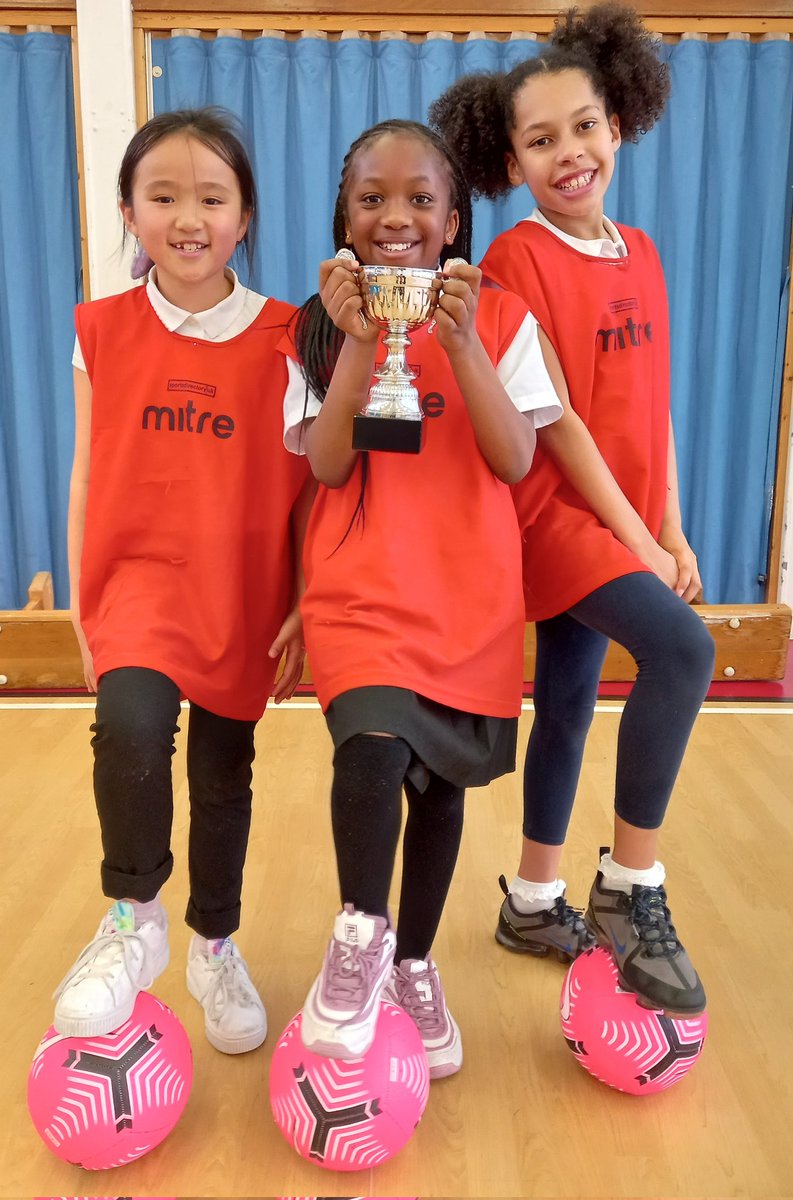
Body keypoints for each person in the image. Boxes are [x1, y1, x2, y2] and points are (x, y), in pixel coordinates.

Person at [430, 3, 715, 1015]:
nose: (567, 152)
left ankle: (533, 897)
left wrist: (669, 523)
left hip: (626, 522)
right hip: (558, 522)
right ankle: (630, 886)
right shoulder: (515, 261)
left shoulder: (640, 251)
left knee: (565, 703)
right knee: (683, 652)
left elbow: (654, 411)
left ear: (620, 120)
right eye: (539, 139)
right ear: (510, 157)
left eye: (582, 126)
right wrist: (636, 539)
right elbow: (558, 430)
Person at [292, 119, 564, 1077]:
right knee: (367, 758)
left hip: (466, 598)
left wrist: (461, 344)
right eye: (371, 198)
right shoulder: (318, 321)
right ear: (345, 213)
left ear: (455, 219)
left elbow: (515, 456)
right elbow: (326, 466)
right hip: (361, 589)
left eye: (419, 199)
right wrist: (362, 343)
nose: (394, 216)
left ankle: (412, 961)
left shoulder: (500, 318)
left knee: (438, 792)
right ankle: (361, 938)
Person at [53, 107, 316, 1054]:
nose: (188, 217)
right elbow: (88, 466)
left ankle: (213, 941)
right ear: (130, 210)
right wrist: (86, 600)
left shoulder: (290, 336)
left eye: (212, 197)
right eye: (162, 196)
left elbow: (305, 487)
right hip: (133, 586)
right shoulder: (100, 329)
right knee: (127, 729)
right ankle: (133, 920)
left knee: (222, 773)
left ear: (244, 215)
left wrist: (302, 600)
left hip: (238, 591)